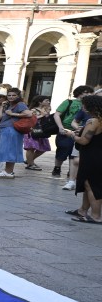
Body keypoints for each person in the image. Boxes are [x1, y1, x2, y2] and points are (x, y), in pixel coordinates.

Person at [69, 94, 102, 223]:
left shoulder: (94, 121)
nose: (82, 106)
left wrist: (71, 135)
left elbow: (84, 141)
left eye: (84, 103)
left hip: (92, 156)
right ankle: (83, 210)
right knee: (89, 184)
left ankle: (96, 216)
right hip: (97, 155)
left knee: (92, 185)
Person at [52, 86, 92, 185]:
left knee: (73, 153)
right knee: (63, 149)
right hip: (66, 130)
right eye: (86, 92)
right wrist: (61, 127)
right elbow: (57, 114)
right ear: (79, 92)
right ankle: (57, 167)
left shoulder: (90, 104)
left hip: (80, 131)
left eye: (90, 93)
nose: (88, 94)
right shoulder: (69, 102)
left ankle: (72, 172)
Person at [0, 87, 32, 178]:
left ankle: (8, 171)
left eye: (13, 95)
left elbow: (29, 114)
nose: (11, 97)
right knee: (7, 150)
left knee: (10, 150)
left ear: (18, 96)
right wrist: (3, 106)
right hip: (6, 129)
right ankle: (8, 171)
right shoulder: (9, 104)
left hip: (12, 129)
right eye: (9, 95)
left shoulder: (20, 104)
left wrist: (13, 114)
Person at [23, 96, 52, 170]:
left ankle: (29, 161)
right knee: (31, 147)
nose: (48, 102)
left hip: (42, 130)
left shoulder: (46, 109)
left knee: (44, 147)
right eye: (46, 100)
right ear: (40, 102)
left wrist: (47, 113)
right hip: (32, 130)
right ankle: (30, 164)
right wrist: (42, 115)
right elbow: (30, 119)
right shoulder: (33, 110)